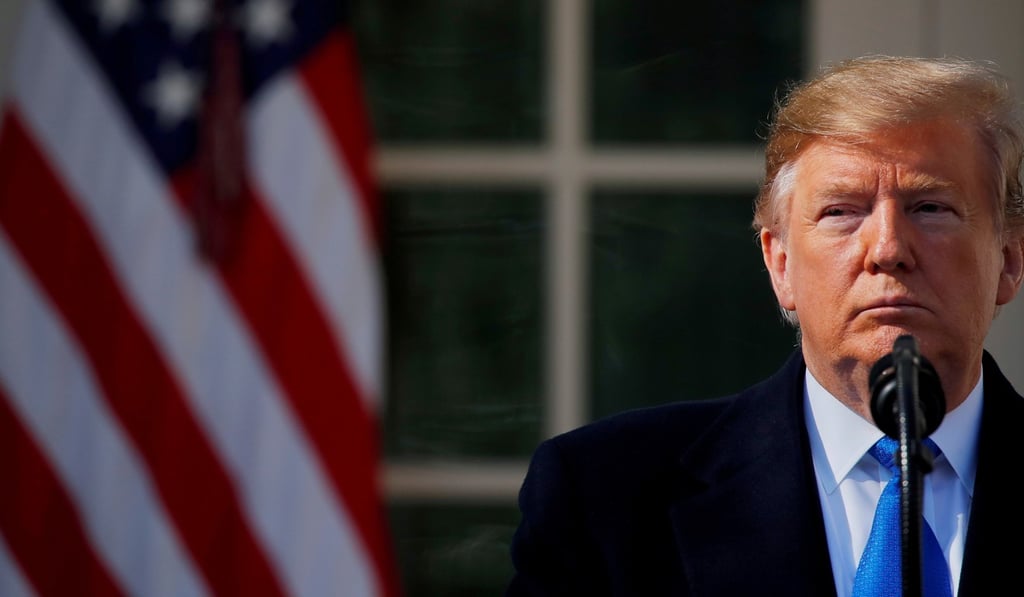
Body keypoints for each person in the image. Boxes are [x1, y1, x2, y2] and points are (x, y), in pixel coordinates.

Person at [505, 55, 1024, 596]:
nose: (888, 249)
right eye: (842, 212)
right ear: (780, 266)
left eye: (931, 208)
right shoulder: (605, 493)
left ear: (1009, 259)